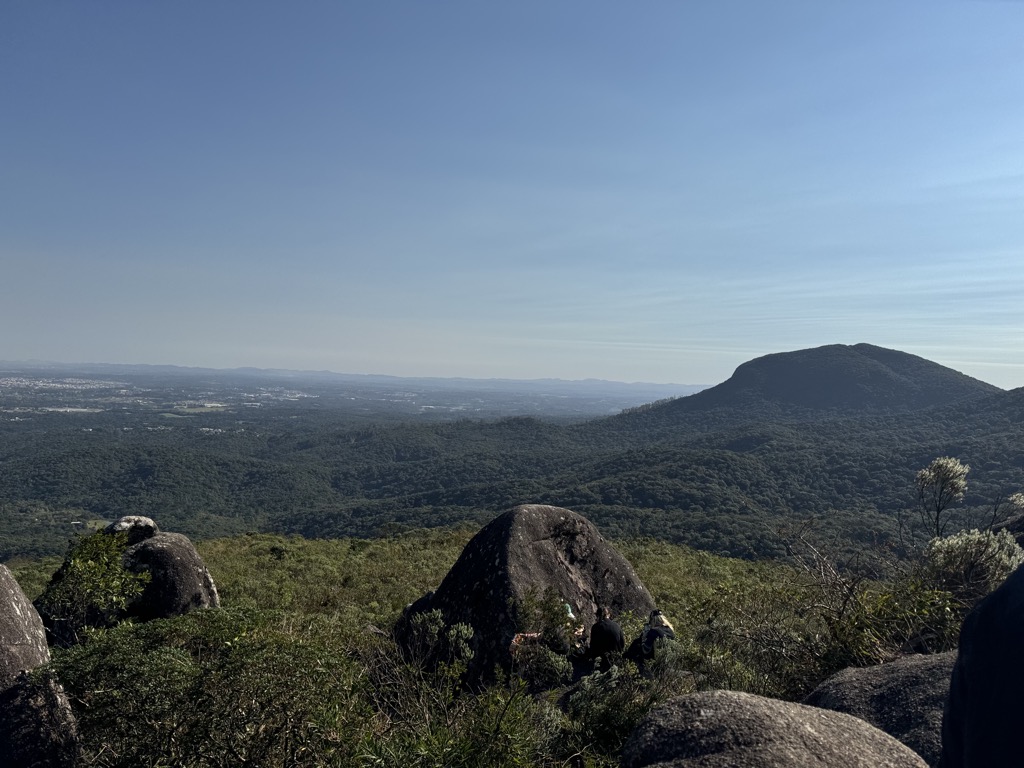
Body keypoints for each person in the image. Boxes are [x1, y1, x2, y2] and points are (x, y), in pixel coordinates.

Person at [582, 606, 625, 671]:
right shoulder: (617, 626)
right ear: (609, 614)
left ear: (598, 615)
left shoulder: (596, 627)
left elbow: (593, 647)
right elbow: (622, 644)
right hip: (616, 662)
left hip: (601, 664)